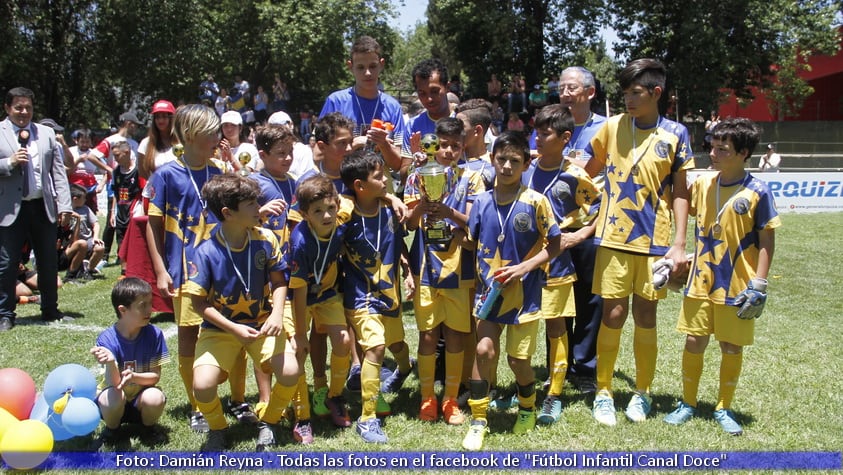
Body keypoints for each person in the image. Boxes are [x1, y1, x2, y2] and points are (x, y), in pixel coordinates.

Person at [583, 58, 695, 426]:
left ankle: (642, 393)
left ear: (656, 93)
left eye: (636, 93)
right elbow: (588, 171)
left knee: (646, 315)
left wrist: (679, 244)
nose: (628, 100)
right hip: (613, 237)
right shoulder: (613, 127)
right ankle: (603, 391)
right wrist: (582, 202)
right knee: (612, 313)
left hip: (656, 241)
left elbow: (681, 192)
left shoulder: (676, 134)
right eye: (625, 93)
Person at [663, 117, 780, 435]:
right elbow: (676, 193)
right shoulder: (702, 184)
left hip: (738, 285)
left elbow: (767, 239)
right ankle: (687, 403)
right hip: (700, 280)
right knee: (694, 340)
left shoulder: (757, 191)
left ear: (743, 153)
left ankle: (723, 407)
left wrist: (760, 281)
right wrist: (678, 253)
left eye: (722, 148)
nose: (713, 153)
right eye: (712, 147)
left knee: (730, 346)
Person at [185, 173, 303, 451]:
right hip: (221, 329)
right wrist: (233, 328)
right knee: (201, 385)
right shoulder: (205, 250)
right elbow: (198, 304)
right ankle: (217, 428)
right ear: (228, 213)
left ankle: (269, 422)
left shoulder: (266, 239)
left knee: (290, 372)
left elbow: (278, 281)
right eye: (251, 204)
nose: (258, 207)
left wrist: (275, 314)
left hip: (263, 323)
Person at [461, 131, 562, 450]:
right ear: (492, 160)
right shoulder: (480, 202)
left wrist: (524, 268)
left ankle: (528, 407)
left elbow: (555, 244)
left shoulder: (536, 202)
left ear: (526, 164)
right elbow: (471, 244)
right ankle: (479, 420)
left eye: (514, 161)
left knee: (519, 361)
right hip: (488, 296)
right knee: (483, 351)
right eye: (501, 159)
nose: (506, 166)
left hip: (524, 297)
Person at [146, 104, 226, 432]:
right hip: (184, 271)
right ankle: (197, 404)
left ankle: (227, 395)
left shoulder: (219, 170)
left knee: (223, 331)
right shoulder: (165, 174)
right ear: (192, 136)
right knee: (189, 335)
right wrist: (161, 270)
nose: (218, 138)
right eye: (212, 133)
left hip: (220, 269)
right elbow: (151, 225)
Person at [405, 118, 483, 425]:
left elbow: (474, 222)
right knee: (427, 334)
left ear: (463, 147)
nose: (448, 151)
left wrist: (449, 212)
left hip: (459, 268)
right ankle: (427, 397)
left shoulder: (472, 179)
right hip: (427, 267)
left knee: (454, 334)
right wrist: (424, 206)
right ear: (432, 145)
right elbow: (409, 224)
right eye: (443, 144)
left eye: (455, 145)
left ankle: (450, 399)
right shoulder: (416, 177)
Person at [524, 104, 600, 424]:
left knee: (556, 326)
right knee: (523, 328)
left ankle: (554, 394)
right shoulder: (526, 170)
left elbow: (599, 211)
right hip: (524, 265)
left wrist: (576, 236)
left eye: (546, 133)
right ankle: (523, 387)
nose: (538, 139)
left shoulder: (575, 175)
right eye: (536, 132)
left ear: (565, 137)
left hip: (556, 265)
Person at [340, 149, 412, 443]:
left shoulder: (391, 210)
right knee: (376, 348)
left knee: (397, 345)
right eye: (379, 177)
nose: (386, 181)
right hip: (360, 297)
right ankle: (367, 418)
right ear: (359, 186)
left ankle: (405, 370)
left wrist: (407, 269)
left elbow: (399, 244)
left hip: (390, 294)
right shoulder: (345, 216)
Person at [0, 87, 74, 331]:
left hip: (42, 206)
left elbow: (58, 173)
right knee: (7, 263)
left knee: (48, 261)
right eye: (18, 107)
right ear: (7, 108)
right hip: (9, 208)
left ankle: (50, 310)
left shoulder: (46, 133)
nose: (24, 112)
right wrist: (8, 163)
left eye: (28, 108)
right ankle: (5, 315)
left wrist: (65, 204)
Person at [287, 175, 354, 434]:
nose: (326, 216)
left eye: (330, 208)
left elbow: (353, 198)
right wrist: (301, 334)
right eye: (317, 211)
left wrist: (391, 196)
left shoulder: (341, 218)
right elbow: (299, 288)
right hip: (297, 298)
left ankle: (334, 396)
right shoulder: (301, 241)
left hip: (326, 293)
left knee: (343, 341)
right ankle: (302, 415)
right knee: (297, 351)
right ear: (304, 214)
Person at [557, 66, 608, 393]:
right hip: (555, 227)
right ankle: (557, 364)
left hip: (591, 226)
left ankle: (585, 367)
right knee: (558, 300)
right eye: (561, 87)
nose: (564, 93)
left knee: (591, 299)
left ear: (590, 92)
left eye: (572, 87)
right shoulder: (549, 125)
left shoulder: (608, 130)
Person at [319, 36, 409, 191]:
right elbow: (318, 153)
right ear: (350, 66)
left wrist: (383, 144)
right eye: (360, 67)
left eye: (373, 66)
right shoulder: (336, 101)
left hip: (379, 189)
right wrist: (352, 145)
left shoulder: (392, 107)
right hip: (341, 186)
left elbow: (397, 164)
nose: (367, 73)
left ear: (381, 64)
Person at [90, 278, 169, 448]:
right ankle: (112, 430)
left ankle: (148, 429)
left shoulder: (154, 335)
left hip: (140, 402)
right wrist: (111, 363)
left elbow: (155, 377)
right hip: (115, 401)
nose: (150, 309)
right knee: (113, 397)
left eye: (150, 303)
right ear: (123, 310)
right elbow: (113, 384)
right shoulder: (107, 339)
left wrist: (134, 376)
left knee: (155, 397)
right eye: (143, 305)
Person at [93, 111, 142, 265]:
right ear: (128, 123)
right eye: (135, 125)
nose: (136, 128)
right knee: (112, 221)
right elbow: (92, 156)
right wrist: (109, 170)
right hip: (116, 186)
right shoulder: (110, 141)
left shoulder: (134, 143)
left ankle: (127, 256)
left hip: (132, 188)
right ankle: (105, 255)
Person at [407, 59, 454, 151]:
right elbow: (405, 164)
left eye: (434, 91)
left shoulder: (465, 121)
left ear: (447, 87)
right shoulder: (413, 126)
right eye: (422, 93)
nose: (429, 99)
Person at [110, 141, 143, 262]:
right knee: (121, 240)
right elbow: (115, 193)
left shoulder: (139, 170)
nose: (115, 158)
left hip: (135, 211)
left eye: (117, 155)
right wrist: (113, 212)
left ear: (127, 152)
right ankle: (124, 271)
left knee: (135, 241)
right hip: (121, 212)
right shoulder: (116, 172)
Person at [66, 184, 105, 281]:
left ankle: (88, 271)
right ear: (75, 199)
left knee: (100, 247)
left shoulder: (85, 209)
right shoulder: (65, 211)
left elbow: (96, 224)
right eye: (83, 198)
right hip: (71, 244)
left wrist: (95, 237)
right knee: (81, 244)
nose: (85, 200)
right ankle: (72, 274)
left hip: (87, 241)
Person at [68, 128, 111, 213]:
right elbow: (66, 171)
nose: (84, 144)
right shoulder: (70, 151)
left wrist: (101, 185)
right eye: (82, 142)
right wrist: (78, 161)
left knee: (90, 212)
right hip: (73, 188)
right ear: (77, 141)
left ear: (91, 142)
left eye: (87, 142)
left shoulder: (95, 154)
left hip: (90, 188)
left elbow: (107, 171)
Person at [265, 111, 316, 178]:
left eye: (281, 126)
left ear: (291, 125)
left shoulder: (303, 150)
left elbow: (307, 180)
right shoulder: (266, 151)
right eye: (274, 128)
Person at [138, 100, 179, 179]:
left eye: (164, 116)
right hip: (154, 189)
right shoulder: (146, 143)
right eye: (157, 117)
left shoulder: (180, 141)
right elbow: (142, 172)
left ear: (171, 119)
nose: (160, 120)